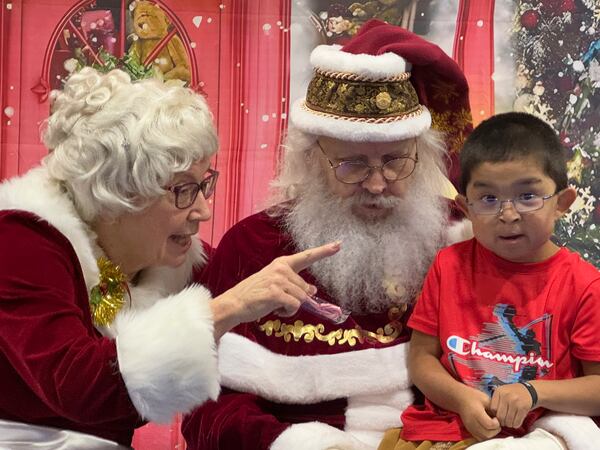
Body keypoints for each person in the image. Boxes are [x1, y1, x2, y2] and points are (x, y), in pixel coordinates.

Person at [0, 67, 340, 448]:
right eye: (183, 190)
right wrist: (228, 308)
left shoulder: (166, 260)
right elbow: (78, 385)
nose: (203, 211)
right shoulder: (21, 241)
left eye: (203, 185)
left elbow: (249, 277)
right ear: (118, 193)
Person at [182, 19, 475, 450]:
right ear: (311, 160)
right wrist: (300, 444)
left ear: (423, 155)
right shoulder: (254, 246)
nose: (377, 184)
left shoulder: (462, 238)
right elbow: (204, 408)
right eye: (352, 164)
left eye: (396, 161)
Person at [394, 112, 600, 450]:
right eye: (489, 199)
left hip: (538, 433)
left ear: (562, 203)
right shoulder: (449, 265)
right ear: (466, 207)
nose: (508, 215)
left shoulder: (586, 285)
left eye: (528, 196)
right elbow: (421, 358)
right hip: (447, 427)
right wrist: (461, 398)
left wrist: (535, 392)